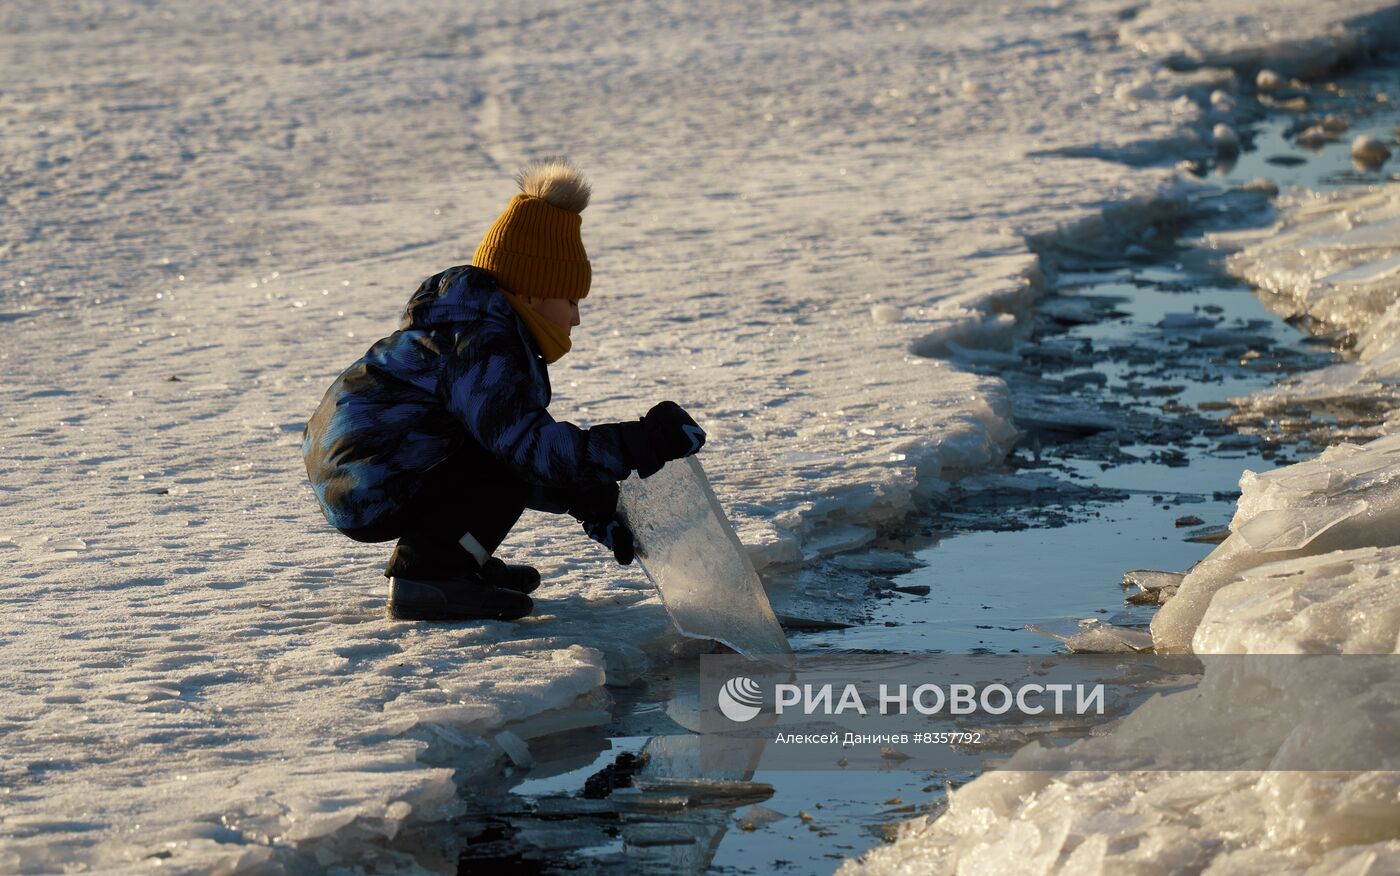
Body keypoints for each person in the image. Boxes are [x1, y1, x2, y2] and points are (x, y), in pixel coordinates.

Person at [302, 159, 705, 622]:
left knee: (497, 456)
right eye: (571, 300)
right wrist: (643, 442)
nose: (575, 318)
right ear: (533, 293)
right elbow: (529, 451)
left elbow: (511, 443)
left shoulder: (477, 330)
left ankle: (455, 561)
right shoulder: (482, 343)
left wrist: (592, 498)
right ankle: (431, 574)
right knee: (505, 467)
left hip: (371, 472)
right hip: (369, 480)